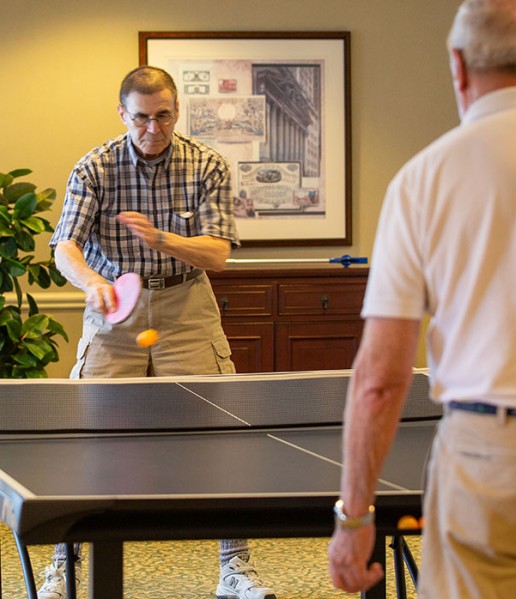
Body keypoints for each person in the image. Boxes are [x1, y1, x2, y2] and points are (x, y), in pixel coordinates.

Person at [328, 0, 516, 597]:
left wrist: (355, 516)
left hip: (485, 457)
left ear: (457, 64)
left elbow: (381, 377)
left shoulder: (423, 181)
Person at [39, 66, 276, 599]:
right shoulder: (95, 166)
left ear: (176, 111)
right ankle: (65, 567)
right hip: (113, 308)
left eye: (163, 115)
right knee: (85, 440)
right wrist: (93, 281)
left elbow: (216, 254)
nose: (153, 128)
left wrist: (162, 240)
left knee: (220, 436)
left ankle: (234, 569)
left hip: (187, 305)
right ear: (123, 114)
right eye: (141, 117)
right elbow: (65, 247)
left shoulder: (207, 164)